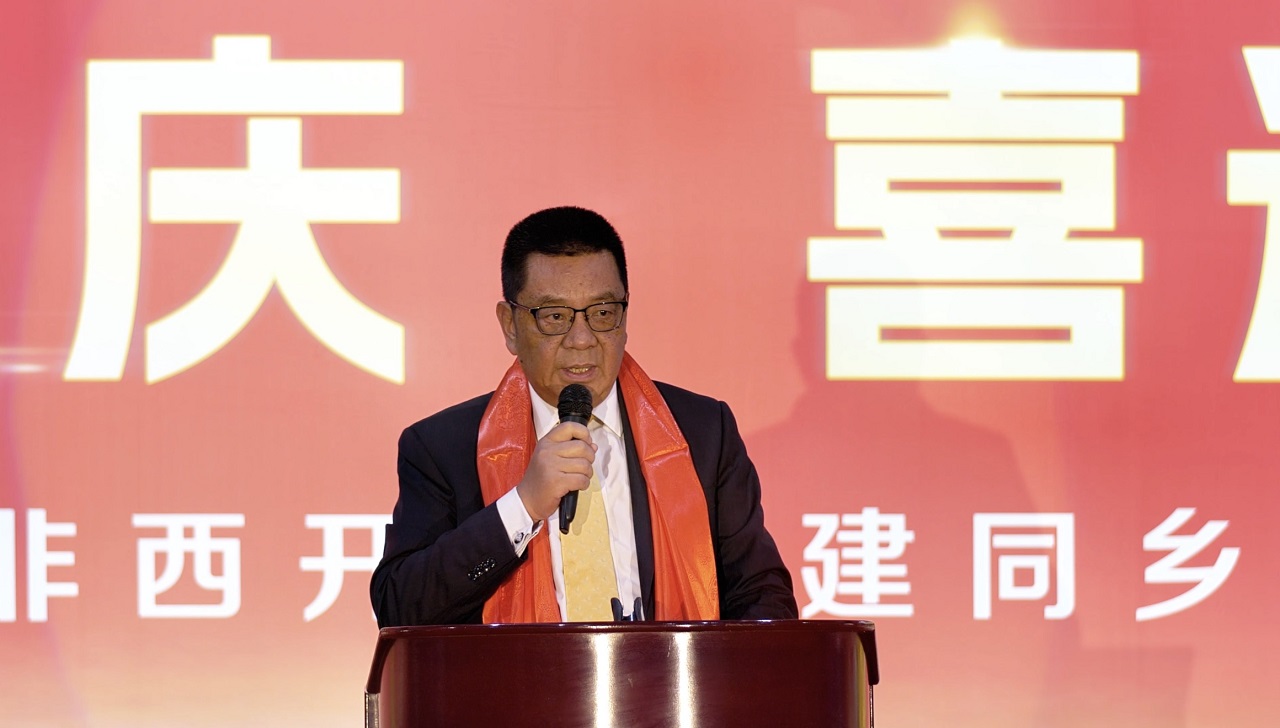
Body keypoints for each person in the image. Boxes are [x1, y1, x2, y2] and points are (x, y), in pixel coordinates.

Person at [371, 206, 796, 626]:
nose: (581, 339)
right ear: (510, 326)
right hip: (517, 675)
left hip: (673, 673)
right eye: (555, 317)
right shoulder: (443, 448)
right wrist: (524, 505)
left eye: (602, 313)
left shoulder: (701, 431)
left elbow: (763, 595)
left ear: (624, 317)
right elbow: (399, 606)